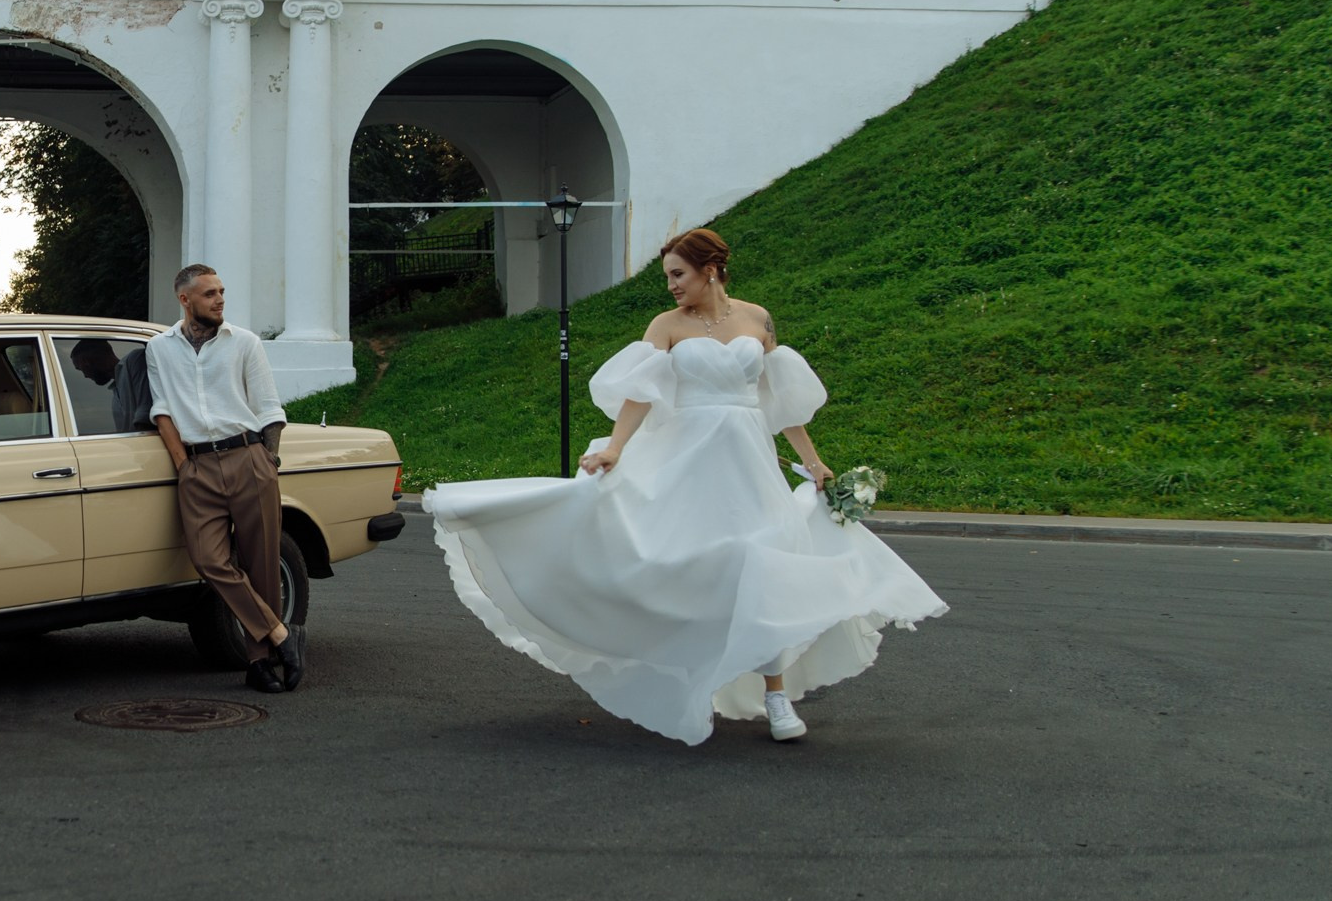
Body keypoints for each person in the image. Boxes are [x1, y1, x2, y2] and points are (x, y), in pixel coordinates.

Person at [421, 228, 945, 744]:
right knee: (682, 567)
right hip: (685, 459)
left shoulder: (757, 318)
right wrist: (615, 449)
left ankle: (776, 696)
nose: (671, 284)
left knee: (761, 565)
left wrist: (814, 462)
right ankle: (688, 682)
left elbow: (777, 401)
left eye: (678, 274)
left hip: (747, 461)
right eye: (668, 275)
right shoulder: (666, 325)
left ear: (709, 270)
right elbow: (640, 394)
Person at [146, 264, 301, 693]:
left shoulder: (244, 343)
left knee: (262, 563)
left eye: (221, 292)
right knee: (209, 559)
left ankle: (260, 663)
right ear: (185, 300)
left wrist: (267, 460)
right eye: (210, 294)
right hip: (197, 467)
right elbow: (162, 410)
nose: (219, 300)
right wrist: (183, 466)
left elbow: (270, 409)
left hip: (248, 457)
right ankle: (281, 634)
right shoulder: (159, 348)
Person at [66, 336, 150, 433]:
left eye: (82, 368)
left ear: (89, 361)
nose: (85, 375)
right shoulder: (115, 391)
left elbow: (145, 415)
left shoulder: (134, 361)